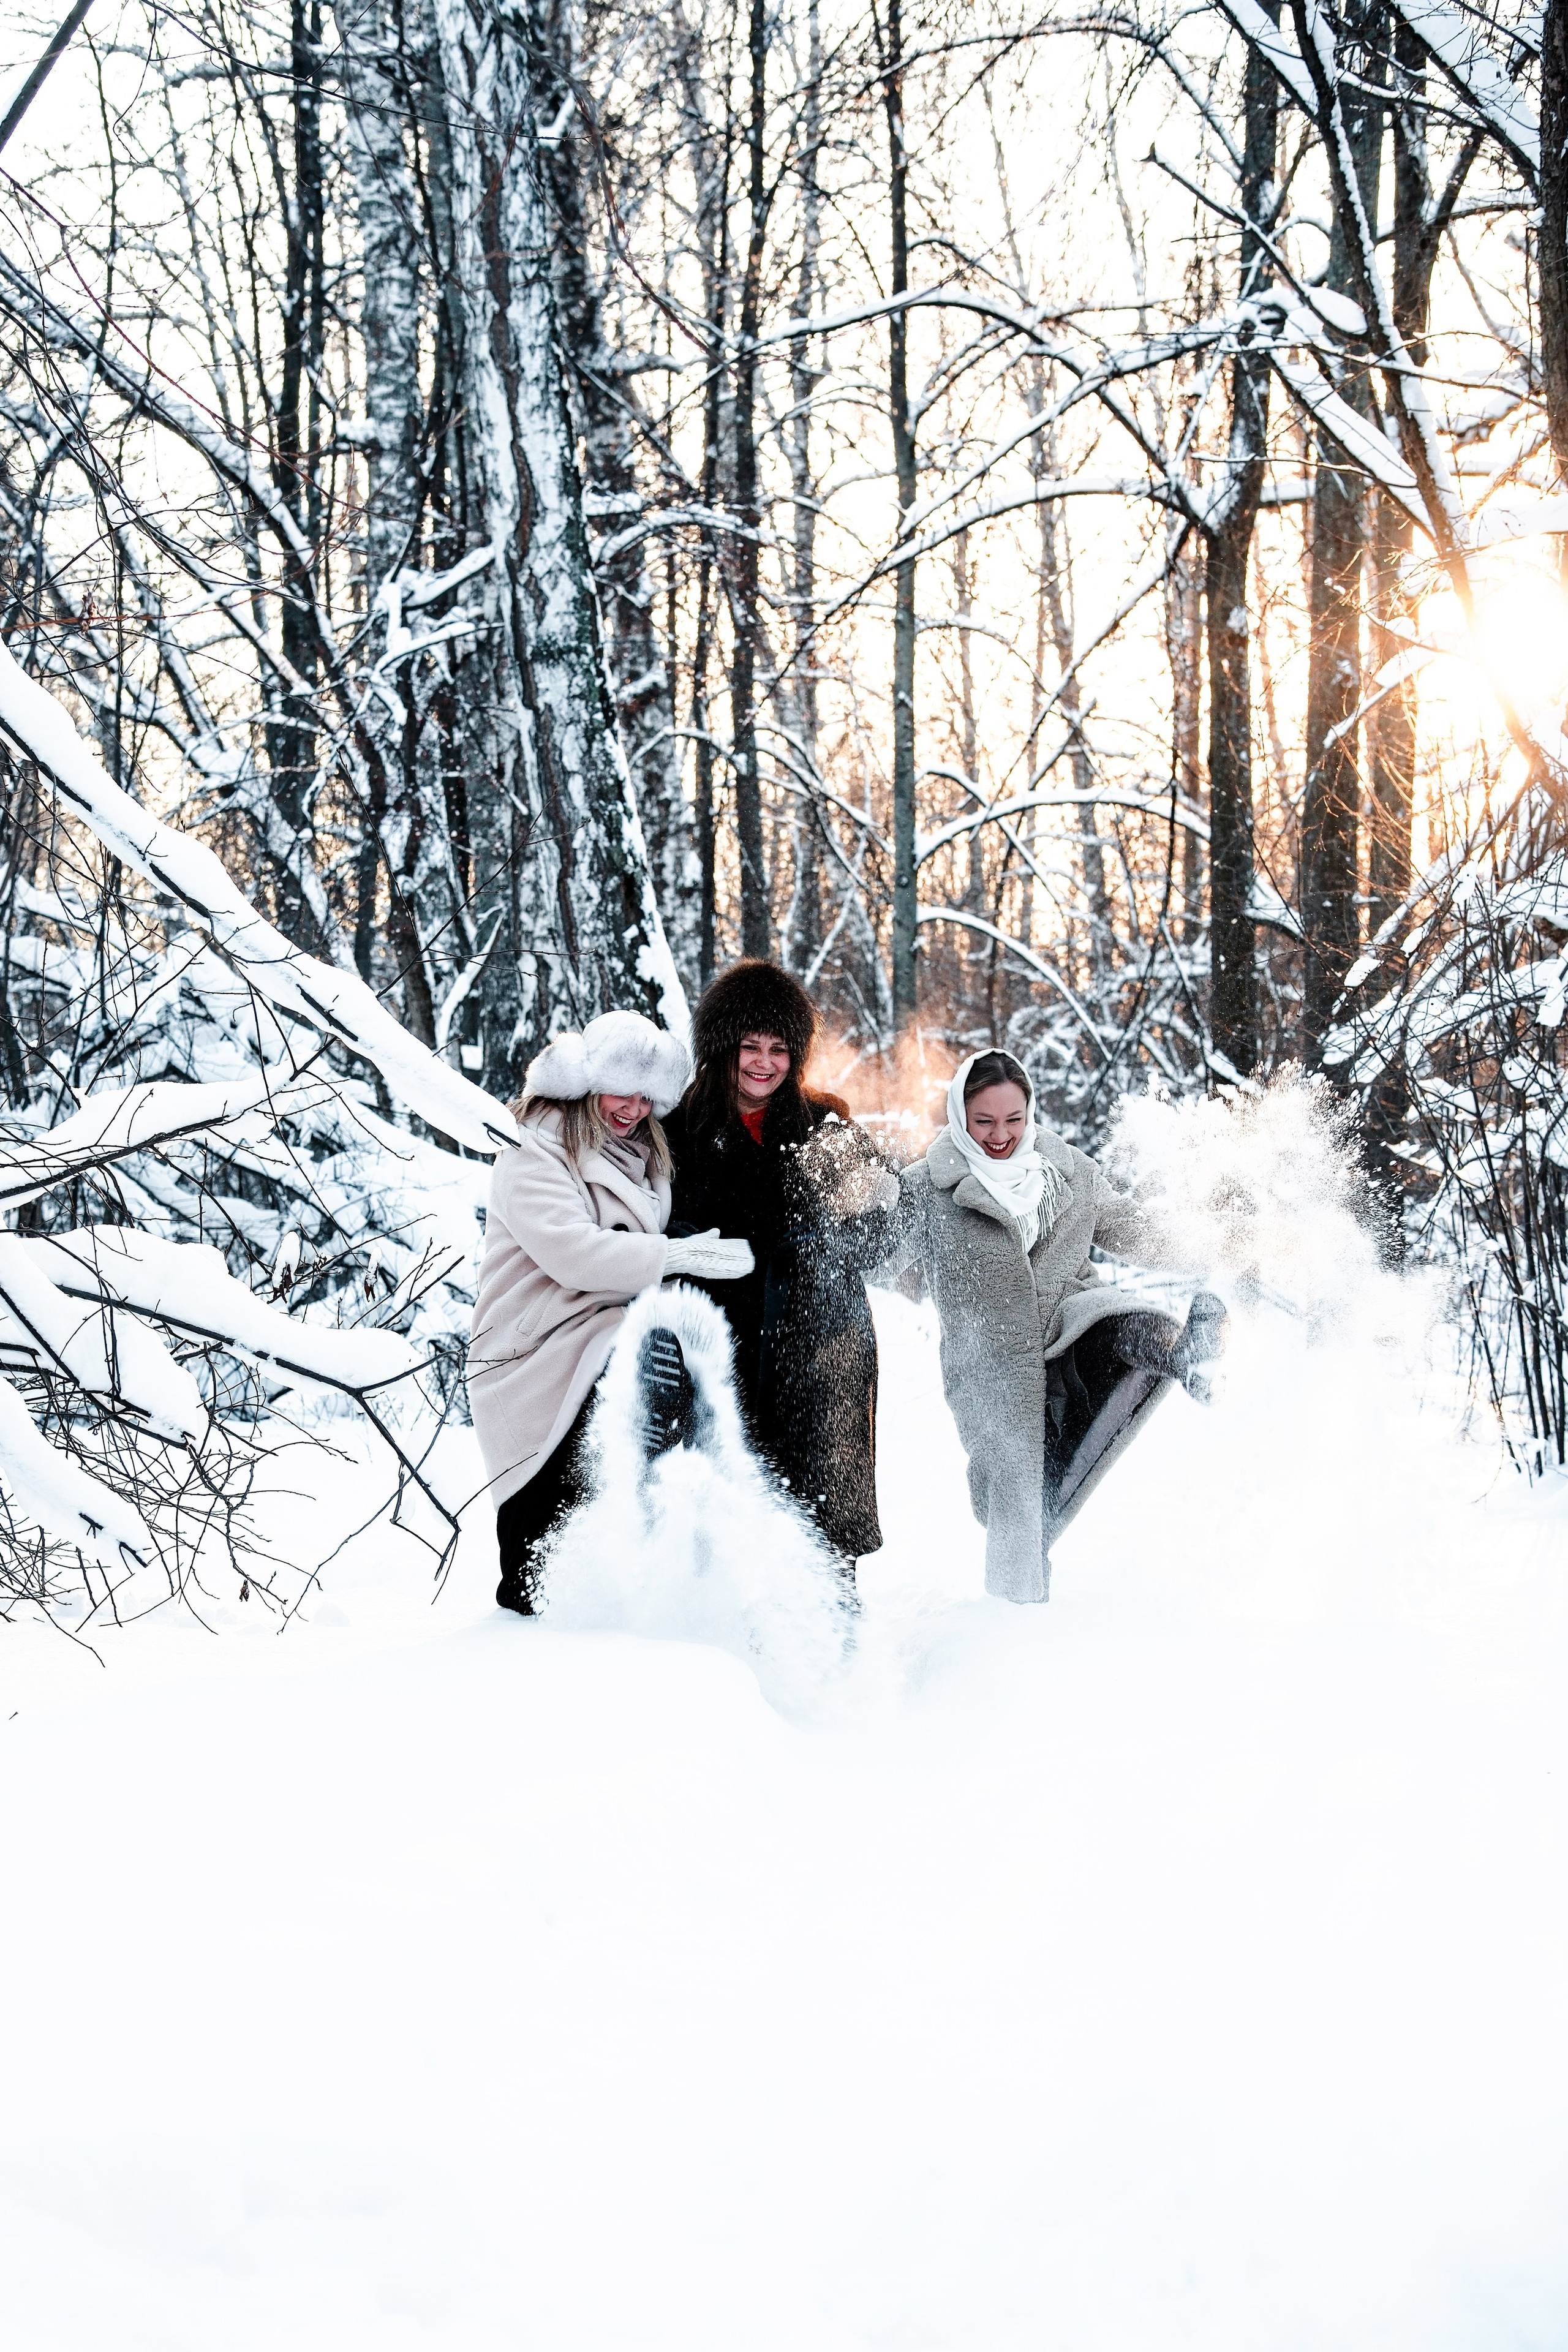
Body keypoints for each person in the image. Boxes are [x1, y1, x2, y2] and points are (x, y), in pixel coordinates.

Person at [881, 1047, 1226, 1604]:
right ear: (959, 1116)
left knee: (1123, 1325)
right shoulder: (926, 1188)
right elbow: (878, 1259)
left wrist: (1217, 1245)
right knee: (1022, 1507)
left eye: (1014, 1120)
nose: (1001, 1135)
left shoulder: (1070, 1171)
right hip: (993, 1370)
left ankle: (1191, 1352)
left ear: (1030, 1111)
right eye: (985, 1121)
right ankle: (1017, 1625)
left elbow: (1135, 1233)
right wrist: (860, 1204)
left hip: (1072, 1321)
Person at [468, 1009, 753, 1615]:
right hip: (537, 1350)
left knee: (670, 1393)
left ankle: (667, 1546)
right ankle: (521, 1641)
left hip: (601, 1338)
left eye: (647, 1099)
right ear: (587, 1082)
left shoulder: (641, 1156)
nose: (632, 1109)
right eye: (621, 1092)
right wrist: (675, 1254)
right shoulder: (533, 1147)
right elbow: (572, 1251)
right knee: (537, 1535)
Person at [662, 960, 896, 1573]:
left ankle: (836, 1635)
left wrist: (873, 1202)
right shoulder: (680, 1129)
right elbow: (653, 1226)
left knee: (821, 1506)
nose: (764, 1063)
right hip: (722, 1336)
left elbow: (876, 1243)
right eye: (749, 1047)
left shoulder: (824, 1123)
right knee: (730, 1492)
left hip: (820, 1338)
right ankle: (724, 1641)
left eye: (779, 1049)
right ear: (721, 1047)